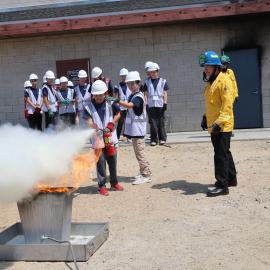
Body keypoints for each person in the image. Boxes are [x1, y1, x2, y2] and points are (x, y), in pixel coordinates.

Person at [199, 51, 237, 197]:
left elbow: (227, 106)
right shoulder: (211, 82)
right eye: (205, 66)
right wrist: (205, 118)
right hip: (214, 124)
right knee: (225, 152)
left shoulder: (224, 81)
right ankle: (231, 179)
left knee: (220, 155)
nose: (205, 69)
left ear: (216, 66)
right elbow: (211, 105)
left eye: (208, 66)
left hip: (222, 125)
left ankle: (222, 186)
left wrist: (218, 123)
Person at [107, 71, 152, 185]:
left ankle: (146, 174)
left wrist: (118, 101)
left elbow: (131, 105)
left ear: (138, 83)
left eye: (132, 83)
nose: (130, 86)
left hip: (138, 130)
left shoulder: (138, 96)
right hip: (135, 130)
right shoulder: (133, 95)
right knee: (138, 153)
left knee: (140, 153)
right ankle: (143, 172)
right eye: (128, 84)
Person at [84, 80, 123, 196]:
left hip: (110, 137)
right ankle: (101, 186)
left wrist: (112, 123)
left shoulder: (111, 103)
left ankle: (114, 182)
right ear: (93, 95)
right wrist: (92, 124)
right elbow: (87, 118)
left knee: (112, 160)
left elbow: (118, 114)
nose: (99, 97)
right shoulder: (88, 106)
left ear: (105, 93)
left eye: (101, 95)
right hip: (97, 139)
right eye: (96, 95)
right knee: (100, 162)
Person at [143, 62, 168, 146]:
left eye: (154, 72)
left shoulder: (163, 81)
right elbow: (145, 94)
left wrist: (165, 103)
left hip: (160, 104)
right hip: (151, 105)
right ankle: (154, 140)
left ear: (158, 71)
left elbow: (165, 93)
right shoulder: (147, 82)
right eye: (151, 72)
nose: (152, 74)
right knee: (153, 123)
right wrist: (146, 104)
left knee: (161, 122)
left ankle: (162, 138)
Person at [114, 68, 131, 139]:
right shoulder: (117, 86)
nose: (124, 77)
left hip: (129, 105)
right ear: (120, 77)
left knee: (128, 122)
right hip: (121, 107)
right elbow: (115, 97)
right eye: (122, 76)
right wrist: (116, 105)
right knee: (120, 122)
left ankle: (127, 136)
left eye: (125, 76)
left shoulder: (130, 84)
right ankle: (117, 137)